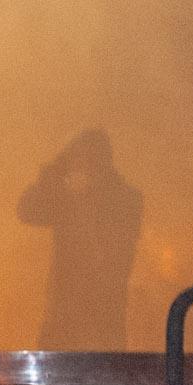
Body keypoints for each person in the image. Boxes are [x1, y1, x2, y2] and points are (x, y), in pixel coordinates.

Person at [17, 128, 143, 349]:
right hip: (63, 314)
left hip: (103, 314)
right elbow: (26, 210)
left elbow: (115, 257)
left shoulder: (126, 199)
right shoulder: (65, 198)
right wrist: (53, 173)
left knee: (104, 377)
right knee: (54, 378)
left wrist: (82, 200)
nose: (77, 167)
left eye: (82, 159)